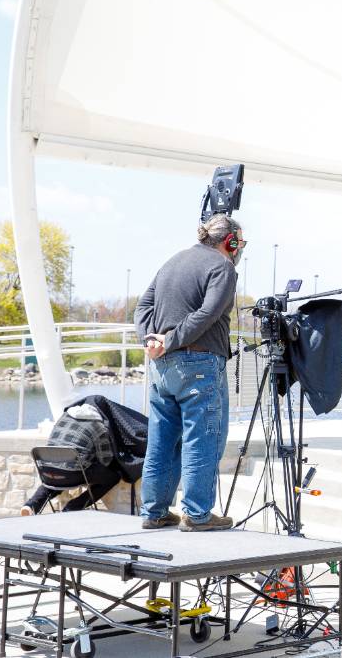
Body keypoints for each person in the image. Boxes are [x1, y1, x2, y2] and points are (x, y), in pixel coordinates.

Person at [134, 213, 244, 532]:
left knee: (162, 438)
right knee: (204, 435)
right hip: (198, 363)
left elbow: (143, 308)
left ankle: (154, 512)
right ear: (231, 241)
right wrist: (169, 340)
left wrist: (151, 339)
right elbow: (208, 313)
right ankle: (197, 514)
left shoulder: (173, 261)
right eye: (240, 243)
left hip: (162, 367)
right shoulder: (222, 267)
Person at [23, 402, 121, 515]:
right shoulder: (98, 426)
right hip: (72, 475)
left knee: (55, 476)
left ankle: (31, 505)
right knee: (112, 477)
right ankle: (73, 507)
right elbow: (106, 460)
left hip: (46, 471)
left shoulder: (63, 418)